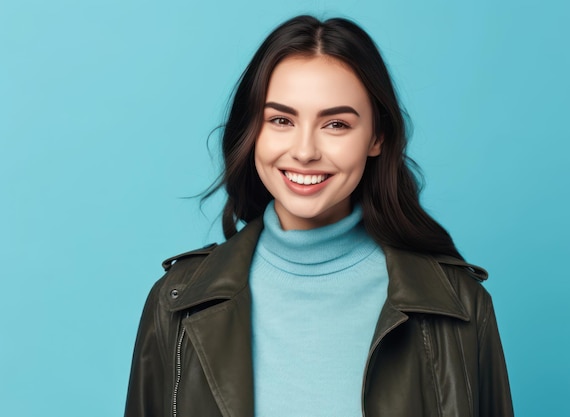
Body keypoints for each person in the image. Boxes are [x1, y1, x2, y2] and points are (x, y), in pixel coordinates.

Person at [125, 15, 514, 417]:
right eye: (281, 120)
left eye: (336, 124)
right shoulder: (176, 303)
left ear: (377, 137)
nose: (305, 150)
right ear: (252, 131)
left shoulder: (461, 308)